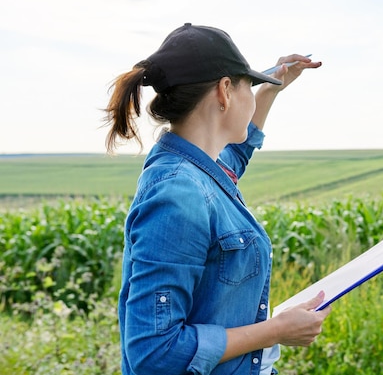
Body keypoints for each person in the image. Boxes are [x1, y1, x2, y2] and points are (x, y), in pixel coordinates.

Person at [104, 23, 331, 375]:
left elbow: (236, 154)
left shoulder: (199, 170)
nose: (252, 96)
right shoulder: (178, 193)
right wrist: (276, 330)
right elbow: (155, 354)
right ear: (225, 91)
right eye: (249, 87)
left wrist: (272, 88)